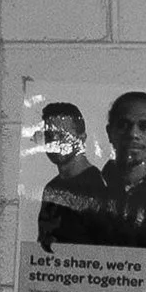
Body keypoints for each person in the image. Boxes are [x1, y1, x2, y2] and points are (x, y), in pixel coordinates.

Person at [40, 89, 146, 249]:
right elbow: (54, 265)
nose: (133, 133)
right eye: (124, 125)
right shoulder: (72, 196)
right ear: (110, 133)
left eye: (144, 126)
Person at [30, 101, 107, 245]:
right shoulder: (51, 188)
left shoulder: (97, 188)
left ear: (82, 139)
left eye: (62, 135)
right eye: (49, 135)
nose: (54, 142)